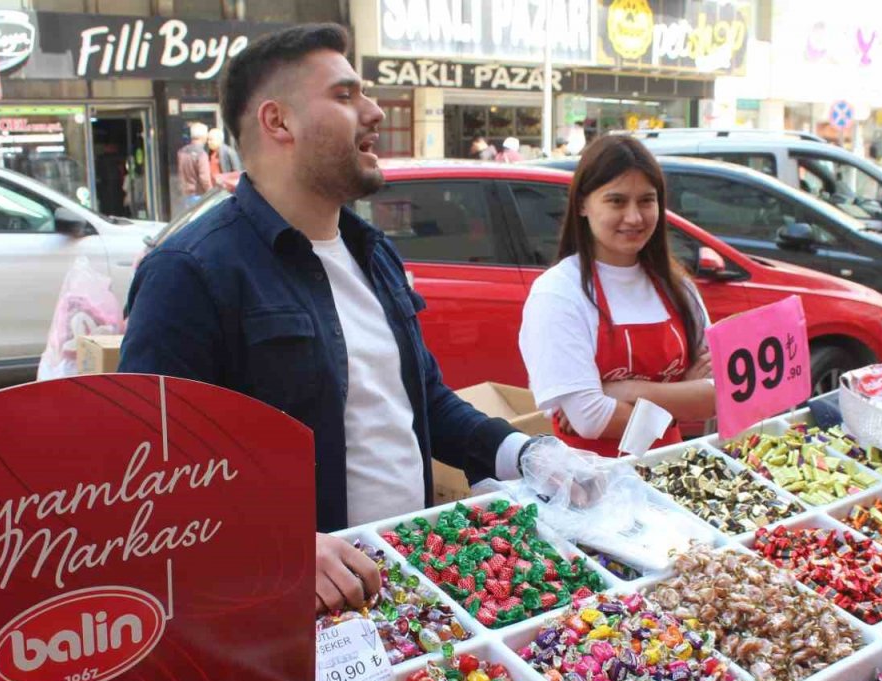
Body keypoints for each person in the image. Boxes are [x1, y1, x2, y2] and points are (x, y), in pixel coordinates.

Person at [119, 24, 552, 614]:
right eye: (346, 96)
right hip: (286, 611)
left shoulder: (372, 253)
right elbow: (150, 477)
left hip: (406, 588)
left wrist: (524, 454)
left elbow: (420, 401)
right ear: (278, 122)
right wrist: (277, 543)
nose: (373, 111)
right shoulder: (190, 271)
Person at [518, 135, 715, 456]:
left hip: (674, 474)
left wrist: (626, 391)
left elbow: (718, 394)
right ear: (582, 203)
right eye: (617, 201)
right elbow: (591, 419)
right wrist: (681, 399)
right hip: (590, 486)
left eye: (647, 201)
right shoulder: (557, 293)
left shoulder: (679, 288)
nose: (635, 217)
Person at [177, 122, 212, 209]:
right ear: (203, 137)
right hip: (199, 195)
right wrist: (211, 193)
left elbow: (180, 173)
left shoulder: (182, 151)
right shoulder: (201, 154)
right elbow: (204, 178)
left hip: (186, 194)